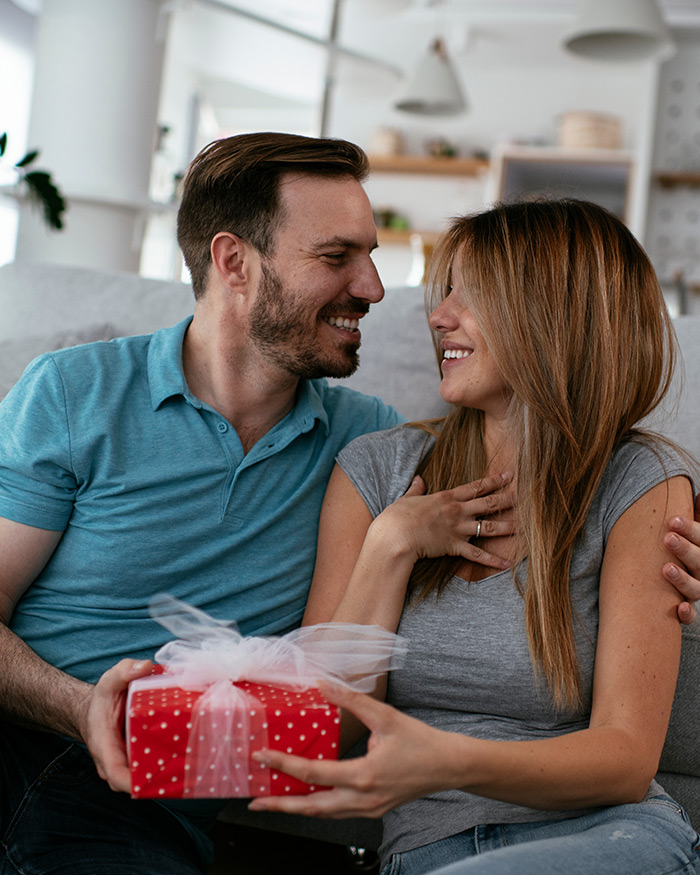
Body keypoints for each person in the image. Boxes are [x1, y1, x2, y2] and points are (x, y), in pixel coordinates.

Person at [247, 199, 700, 875]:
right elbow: (324, 736)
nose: (439, 315)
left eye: (474, 294)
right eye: (447, 289)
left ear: (558, 317)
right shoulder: (379, 470)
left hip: (610, 838)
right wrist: (389, 545)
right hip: (428, 852)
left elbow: (626, 759)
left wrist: (447, 759)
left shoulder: (643, 480)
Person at [0, 132, 406, 874]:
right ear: (233, 262)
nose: (373, 286)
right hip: (28, 735)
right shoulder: (72, 392)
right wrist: (79, 706)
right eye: (336, 256)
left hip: (136, 799)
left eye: (371, 255)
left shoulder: (368, 442)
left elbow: (528, 496)